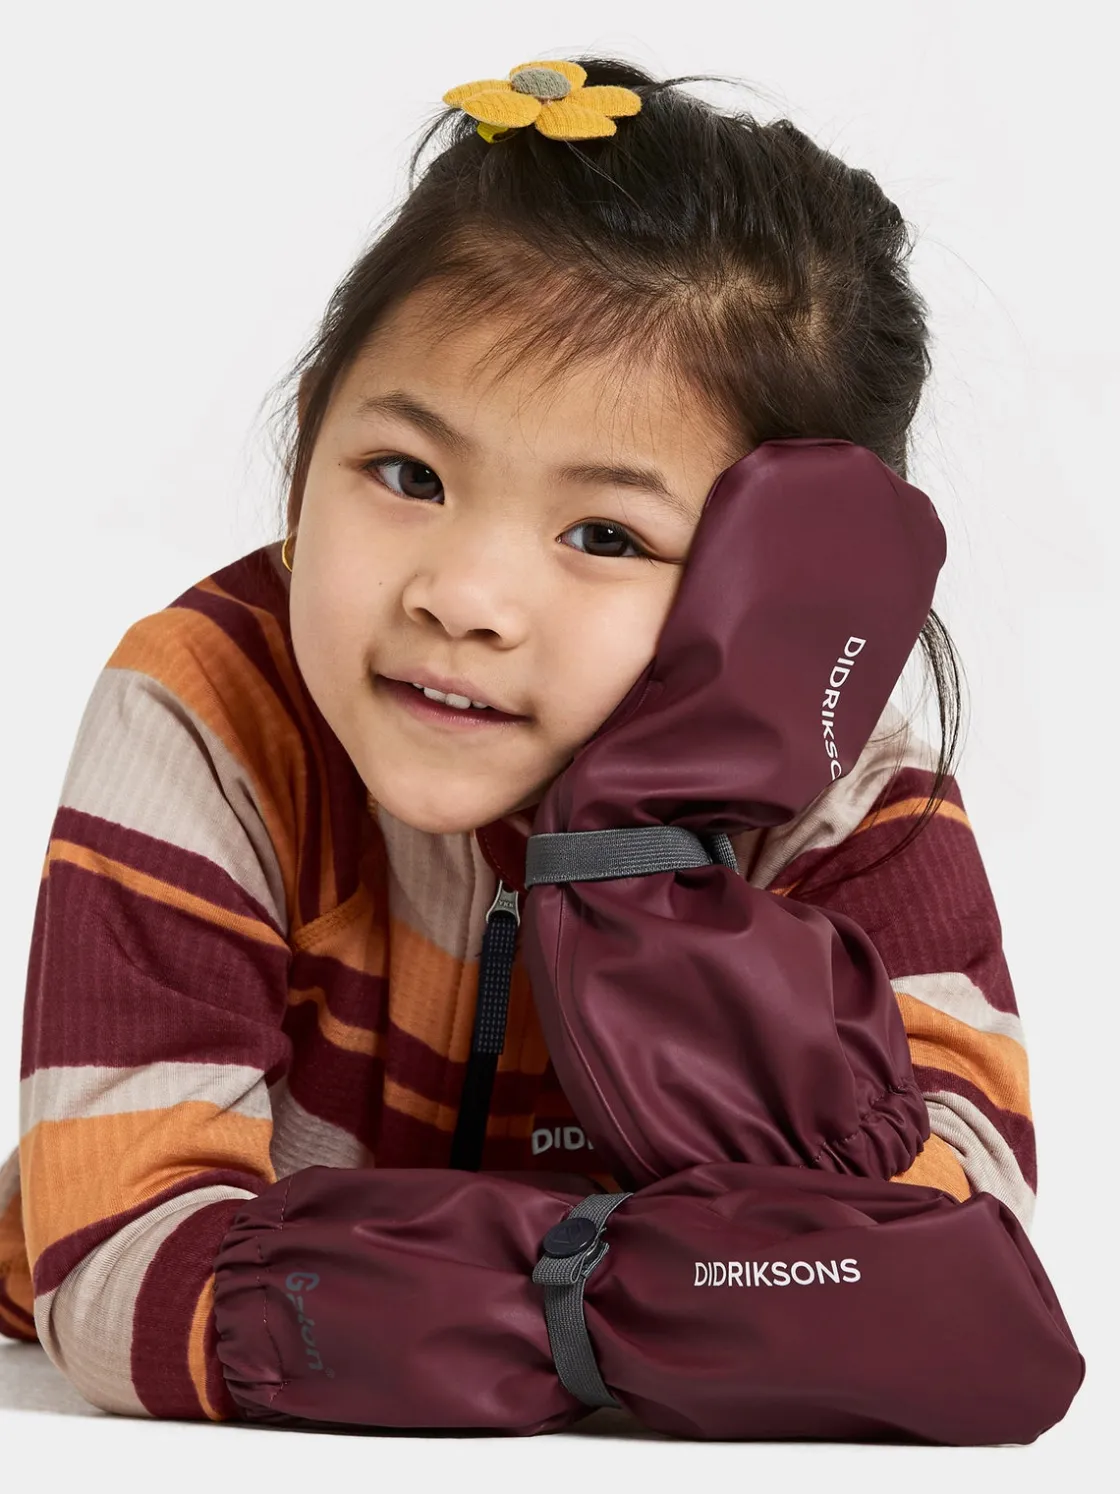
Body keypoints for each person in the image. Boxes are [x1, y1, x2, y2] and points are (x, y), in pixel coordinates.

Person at [0, 54, 1057, 1432]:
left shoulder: (846, 800)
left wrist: (642, 849)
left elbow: (955, 1268)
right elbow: (126, 1274)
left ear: (787, 588)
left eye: (605, 534)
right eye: (408, 475)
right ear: (312, 433)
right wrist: (627, 1301)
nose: (464, 598)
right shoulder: (210, 711)